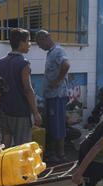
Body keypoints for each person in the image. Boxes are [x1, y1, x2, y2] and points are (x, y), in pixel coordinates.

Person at [0, 28, 42, 147]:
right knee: (22, 147)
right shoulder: (24, 63)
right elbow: (28, 89)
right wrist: (36, 112)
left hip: (4, 110)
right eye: (28, 41)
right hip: (20, 111)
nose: (30, 44)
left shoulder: (1, 62)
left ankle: (3, 165)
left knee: (5, 143)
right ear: (21, 43)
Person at [35, 30, 70, 164]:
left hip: (57, 96)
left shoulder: (58, 51)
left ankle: (60, 154)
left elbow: (66, 65)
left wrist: (57, 81)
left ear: (46, 38)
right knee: (51, 125)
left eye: (39, 43)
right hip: (51, 96)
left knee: (58, 125)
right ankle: (54, 153)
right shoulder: (51, 53)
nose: (39, 46)